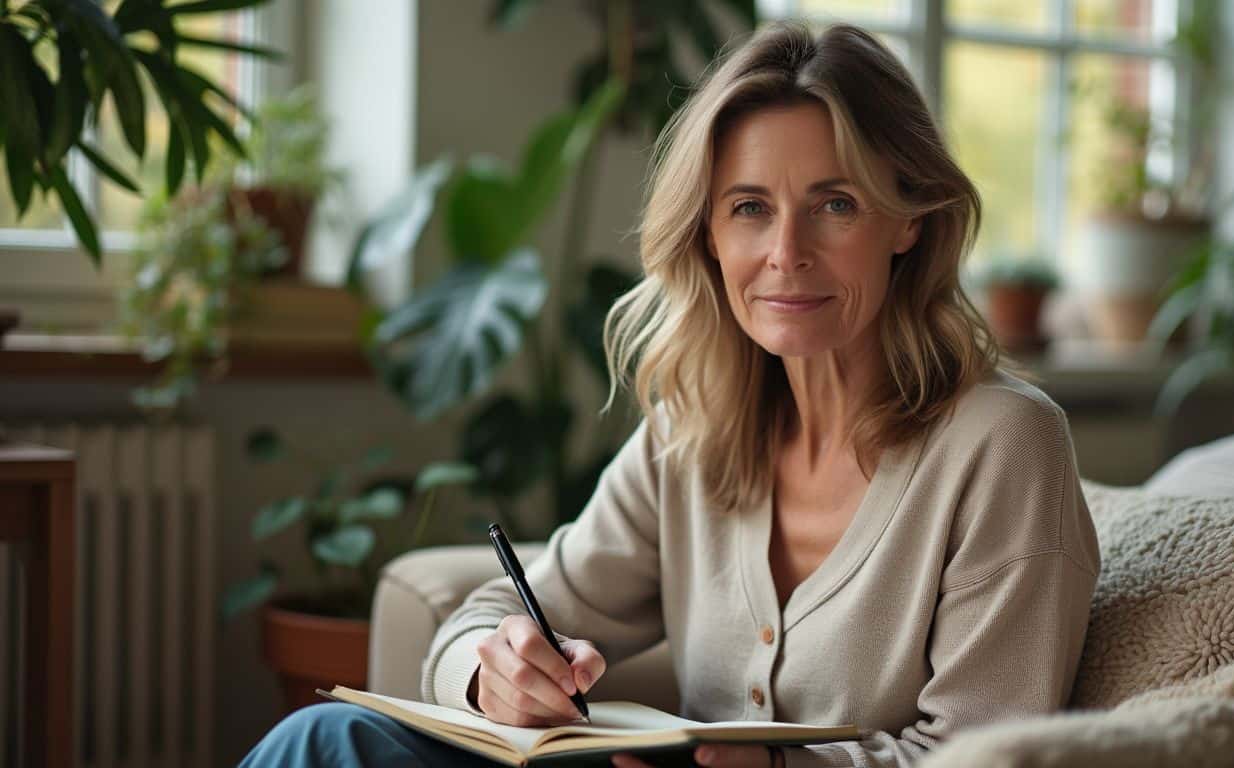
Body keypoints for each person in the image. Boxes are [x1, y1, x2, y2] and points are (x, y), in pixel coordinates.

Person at [242, 20, 1100, 768]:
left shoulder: (1004, 443)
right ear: (710, 234)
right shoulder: (693, 433)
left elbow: (991, 755)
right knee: (323, 744)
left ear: (908, 217)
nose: (786, 252)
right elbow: (497, 609)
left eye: (835, 203)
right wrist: (493, 669)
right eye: (750, 207)